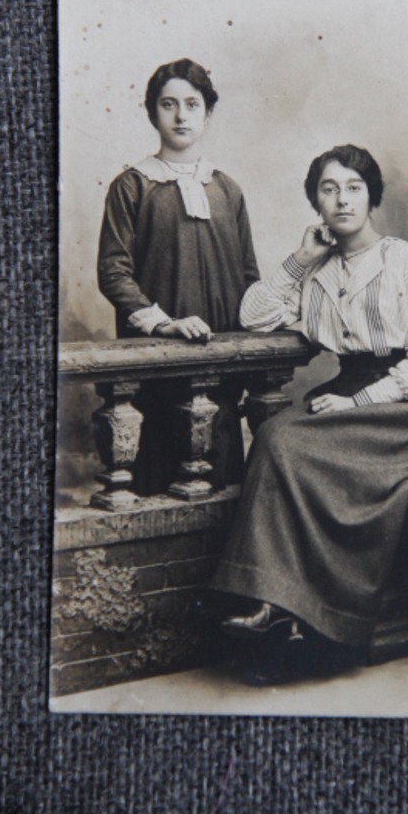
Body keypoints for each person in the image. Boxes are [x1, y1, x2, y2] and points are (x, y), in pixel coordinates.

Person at [212, 144, 408, 684]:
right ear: (315, 202)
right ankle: (273, 601)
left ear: (372, 197)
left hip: (407, 408)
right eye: (328, 188)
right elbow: (252, 317)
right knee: (279, 433)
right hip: (346, 390)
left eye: (353, 187)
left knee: (286, 441)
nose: (341, 198)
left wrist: (357, 402)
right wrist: (301, 259)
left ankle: (286, 605)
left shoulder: (405, 262)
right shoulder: (317, 271)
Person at [97, 58, 259, 492]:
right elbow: (114, 273)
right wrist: (164, 323)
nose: (181, 115)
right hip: (159, 364)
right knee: (161, 479)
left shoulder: (227, 190)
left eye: (193, 103)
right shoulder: (132, 186)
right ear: (153, 112)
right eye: (169, 104)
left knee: (222, 487)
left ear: (208, 112)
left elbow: (248, 276)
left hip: (220, 364)